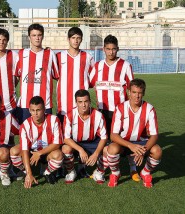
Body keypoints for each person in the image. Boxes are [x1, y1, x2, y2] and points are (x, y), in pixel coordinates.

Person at [89, 34, 139, 181]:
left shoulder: (125, 66)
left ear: (118, 49)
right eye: (108, 49)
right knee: (104, 141)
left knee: (126, 138)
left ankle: (132, 168)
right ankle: (102, 169)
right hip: (103, 111)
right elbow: (89, 83)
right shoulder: (97, 66)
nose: (111, 52)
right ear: (104, 49)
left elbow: (133, 87)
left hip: (121, 111)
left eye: (114, 49)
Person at [107, 79, 162, 188]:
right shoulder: (120, 108)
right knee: (111, 149)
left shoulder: (149, 109)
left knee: (157, 151)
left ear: (143, 93)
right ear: (128, 92)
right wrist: (130, 145)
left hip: (141, 143)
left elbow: (154, 135)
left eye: (140, 93)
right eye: (134, 92)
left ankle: (145, 172)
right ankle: (115, 173)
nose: (137, 96)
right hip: (124, 143)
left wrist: (143, 150)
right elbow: (113, 135)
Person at [10, 96, 63, 189]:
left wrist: (39, 153)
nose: (35, 113)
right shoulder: (25, 125)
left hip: (48, 151)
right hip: (32, 153)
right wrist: (29, 173)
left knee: (59, 155)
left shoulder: (54, 120)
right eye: (33, 110)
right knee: (14, 151)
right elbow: (25, 150)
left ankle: (47, 172)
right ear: (29, 110)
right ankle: (26, 173)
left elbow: (57, 143)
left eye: (38, 110)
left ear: (44, 109)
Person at [14, 23, 59, 124]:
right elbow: (16, 76)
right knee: (25, 134)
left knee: (46, 135)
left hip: (45, 104)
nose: (37, 38)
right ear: (29, 37)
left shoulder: (50, 54)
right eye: (34, 35)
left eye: (39, 35)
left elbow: (57, 76)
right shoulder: (22, 54)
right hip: (26, 104)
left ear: (43, 36)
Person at [62, 89, 108, 184]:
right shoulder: (69, 116)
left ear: (90, 102)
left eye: (86, 101)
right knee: (66, 148)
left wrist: (96, 154)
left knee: (108, 149)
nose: (83, 105)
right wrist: (80, 150)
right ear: (76, 103)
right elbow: (66, 138)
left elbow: (104, 137)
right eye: (80, 102)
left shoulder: (98, 115)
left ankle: (99, 172)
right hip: (76, 143)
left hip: (93, 142)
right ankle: (71, 172)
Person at [56, 27, 94, 124]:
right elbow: (54, 76)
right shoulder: (59, 57)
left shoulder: (88, 57)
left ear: (81, 39)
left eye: (78, 38)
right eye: (73, 38)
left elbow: (93, 77)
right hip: (64, 104)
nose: (76, 40)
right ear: (68, 39)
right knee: (64, 136)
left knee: (81, 136)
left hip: (82, 104)